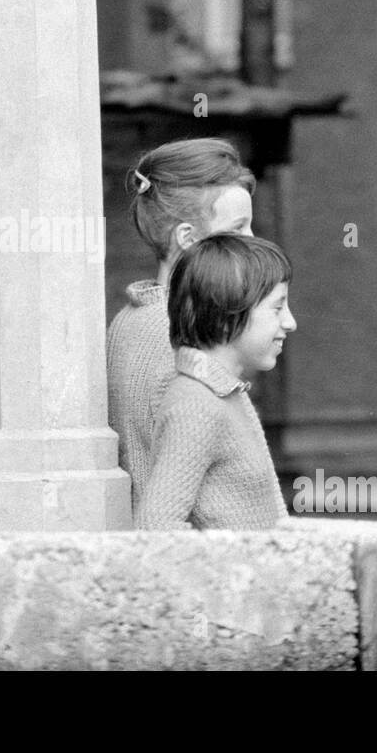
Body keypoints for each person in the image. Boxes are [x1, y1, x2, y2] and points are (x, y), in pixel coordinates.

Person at [106, 138, 256, 513]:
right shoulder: (182, 336)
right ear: (187, 238)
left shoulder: (133, 317)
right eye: (238, 229)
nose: (253, 242)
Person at [137, 234, 295, 530]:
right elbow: (155, 526)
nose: (290, 322)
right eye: (277, 308)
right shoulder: (195, 406)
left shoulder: (221, 393)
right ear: (225, 314)